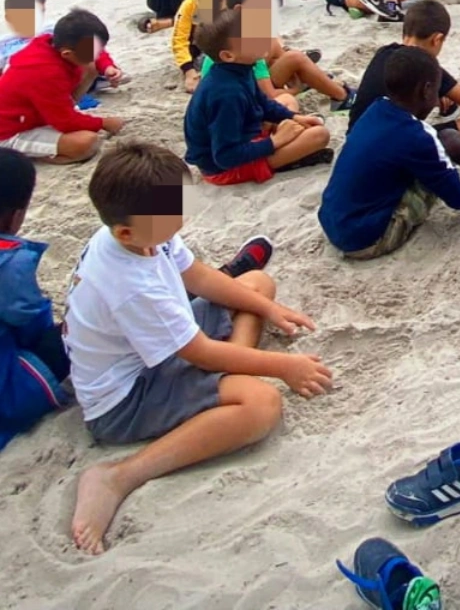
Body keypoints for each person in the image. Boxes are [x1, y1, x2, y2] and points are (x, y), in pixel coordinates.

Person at [63, 140, 333, 555]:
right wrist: (282, 366)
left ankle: (234, 373)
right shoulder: (129, 284)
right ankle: (120, 476)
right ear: (125, 232)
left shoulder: (144, 233)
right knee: (261, 405)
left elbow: (199, 277)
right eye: (172, 214)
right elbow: (199, 352)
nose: (181, 220)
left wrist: (269, 309)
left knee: (257, 286)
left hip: (166, 348)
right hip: (124, 400)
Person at [319, 47, 460, 260]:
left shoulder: (375, 109)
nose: (437, 100)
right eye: (437, 91)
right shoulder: (418, 137)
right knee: (446, 144)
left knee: (439, 147)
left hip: (334, 222)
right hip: (367, 239)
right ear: (426, 90)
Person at [183, 10, 332, 185]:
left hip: (244, 134)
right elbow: (225, 156)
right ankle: (282, 160)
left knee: (287, 101)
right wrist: (275, 141)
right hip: (223, 168)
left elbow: (263, 103)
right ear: (228, 55)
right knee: (320, 136)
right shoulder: (226, 94)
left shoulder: (239, 69)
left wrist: (294, 117)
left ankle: (284, 143)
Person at [347, 0, 460, 170]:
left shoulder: (384, 53)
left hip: (355, 144)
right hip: (391, 151)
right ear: (437, 39)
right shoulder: (424, 66)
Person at [0, 148, 70, 448]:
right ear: (16, 215)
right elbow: (30, 322)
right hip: (9, 393)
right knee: (73, 334)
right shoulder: (9, 262)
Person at [202, 0, 354, 111]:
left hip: (246, 86)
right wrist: (296, 89)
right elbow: (269, 96)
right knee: (295, 59)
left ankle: (311, 77)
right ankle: (341, 96)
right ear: (240, 10)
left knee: (277, 46)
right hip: (240, 102)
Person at [0, 10, 125, 164]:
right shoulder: (44, 72)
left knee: (90, 67)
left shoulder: (50, 42)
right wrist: (103, 123)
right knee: (86, 143)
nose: (98, 54)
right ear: (67, 54)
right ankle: (35, 156)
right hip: (11, 130)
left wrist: (107, 67)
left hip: (37, 113)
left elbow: (97, 52)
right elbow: (64, 121)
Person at [0, 0, 125, 89]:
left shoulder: (54, 29)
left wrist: (107, 66)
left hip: (70, 76)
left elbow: (93, 47)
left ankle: (98, 80)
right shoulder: (4, 44)